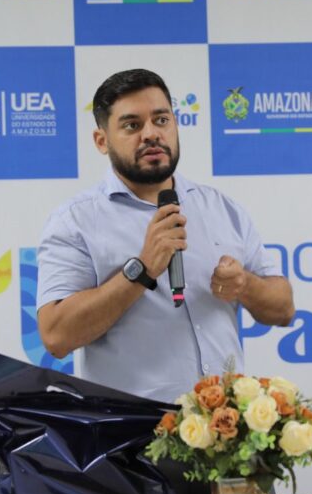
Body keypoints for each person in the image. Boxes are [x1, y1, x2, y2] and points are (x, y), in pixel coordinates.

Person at [36, 68, 295, 404]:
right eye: (132, 125)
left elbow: (284, 308)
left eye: (161, 120)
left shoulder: (222, 208)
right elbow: (56, 335)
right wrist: (142, 270)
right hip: (132, 440)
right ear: (102, 141)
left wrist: (244, 284)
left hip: (224, 433)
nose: (151, 134)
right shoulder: (75, 221)